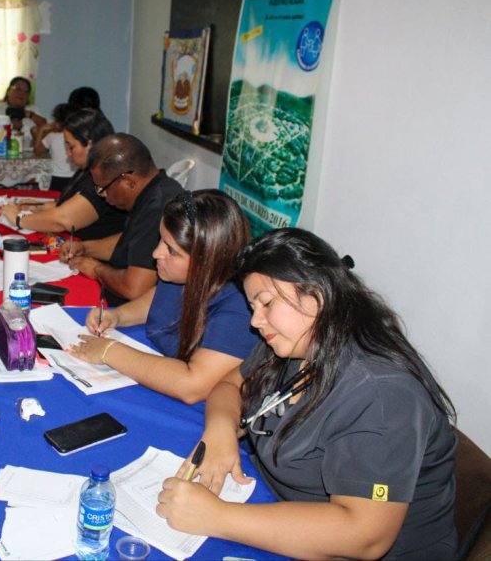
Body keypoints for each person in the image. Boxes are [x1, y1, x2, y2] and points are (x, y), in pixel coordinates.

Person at [156, 228, 458, 559]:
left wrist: (217, 517)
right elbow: (231, 385)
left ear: (317, 295)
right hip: (278, 510)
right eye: (253, 306)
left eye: (266, 303)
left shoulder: (381, 392)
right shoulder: (298, 340)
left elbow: (365, 536)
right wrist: (220, 431)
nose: (256, 321)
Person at [68, 190, 259, 403]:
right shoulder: (184, 275)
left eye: (172, 251)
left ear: (207, 260)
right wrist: (118, 315)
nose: (156, 253)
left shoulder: (242, 307)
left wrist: (109, 351)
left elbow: (193, 385)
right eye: (161, 240)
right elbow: (160, 297)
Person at [59, 133, 183, 306]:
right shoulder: (156, 188)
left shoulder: (158, 208)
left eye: (103, 188)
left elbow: (134, 288)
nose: (103, 195)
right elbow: (132, 242)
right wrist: (85, 248)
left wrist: (96, 269)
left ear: (129, 181)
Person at [0, 109, 125, 241]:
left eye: (71, 146)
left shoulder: (104, 178)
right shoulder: (88, 170)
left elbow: (63, 219)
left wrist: (19, 219)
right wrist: (38, 207)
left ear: (89, 145)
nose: (67, 152)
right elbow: (70, 204)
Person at [0, 76, 46, 147]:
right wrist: (8, 125)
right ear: (8, 91)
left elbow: (46, 126)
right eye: (18, 89)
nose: (21, 93)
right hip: (0, 149)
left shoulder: (33, 109)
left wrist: (29, 114)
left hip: (28, 151)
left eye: (26, 91)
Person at [31, 102, 78, 191]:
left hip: (57, 178)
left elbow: (37, 151)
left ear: (58, 123)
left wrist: (41, 130)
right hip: (76, 178)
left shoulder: (52, 136)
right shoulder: (79, 136)